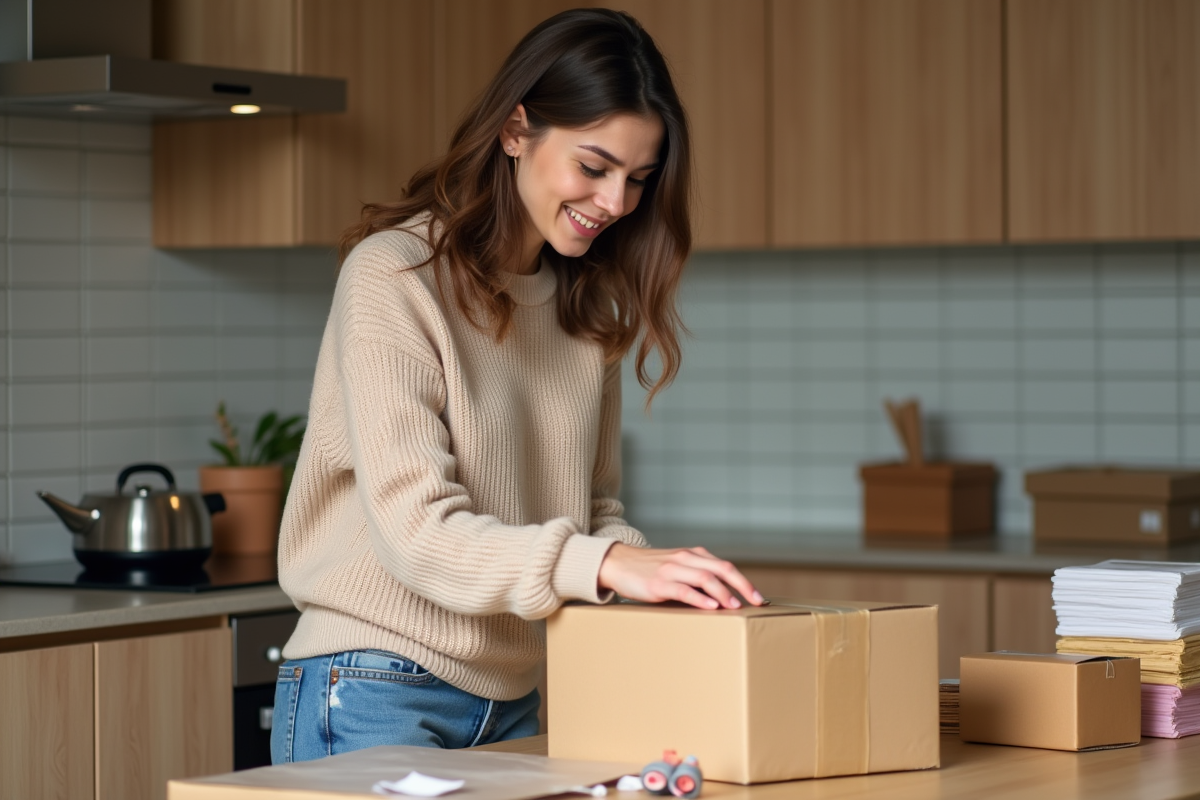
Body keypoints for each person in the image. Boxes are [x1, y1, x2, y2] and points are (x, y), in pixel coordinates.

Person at [270, 7, 763, 765]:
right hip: (372, 683)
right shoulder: (393, 278)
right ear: (514, 131)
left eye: (638, 179)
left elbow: (590, 511)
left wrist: (665, 581)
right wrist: (606, 566)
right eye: (593, 167)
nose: (616, 204)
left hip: (513, 698)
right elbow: (416, 532)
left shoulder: (585, 309)